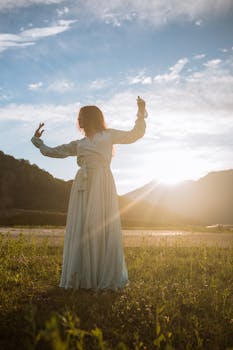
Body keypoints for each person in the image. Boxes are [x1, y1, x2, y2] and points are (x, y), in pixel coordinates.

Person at [31, 96, 147, 291]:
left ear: (92, 117)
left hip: (102, 182)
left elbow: (134, 134)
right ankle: (82, 276)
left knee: (100, 223)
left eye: (82, 116)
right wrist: (38, 141)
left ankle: (102, 275)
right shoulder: (79, 143)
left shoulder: (108, 135)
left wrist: (141, 112)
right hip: (82, 185)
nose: (79, 121)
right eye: (79, 117)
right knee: (83, 224)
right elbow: (54, 152)